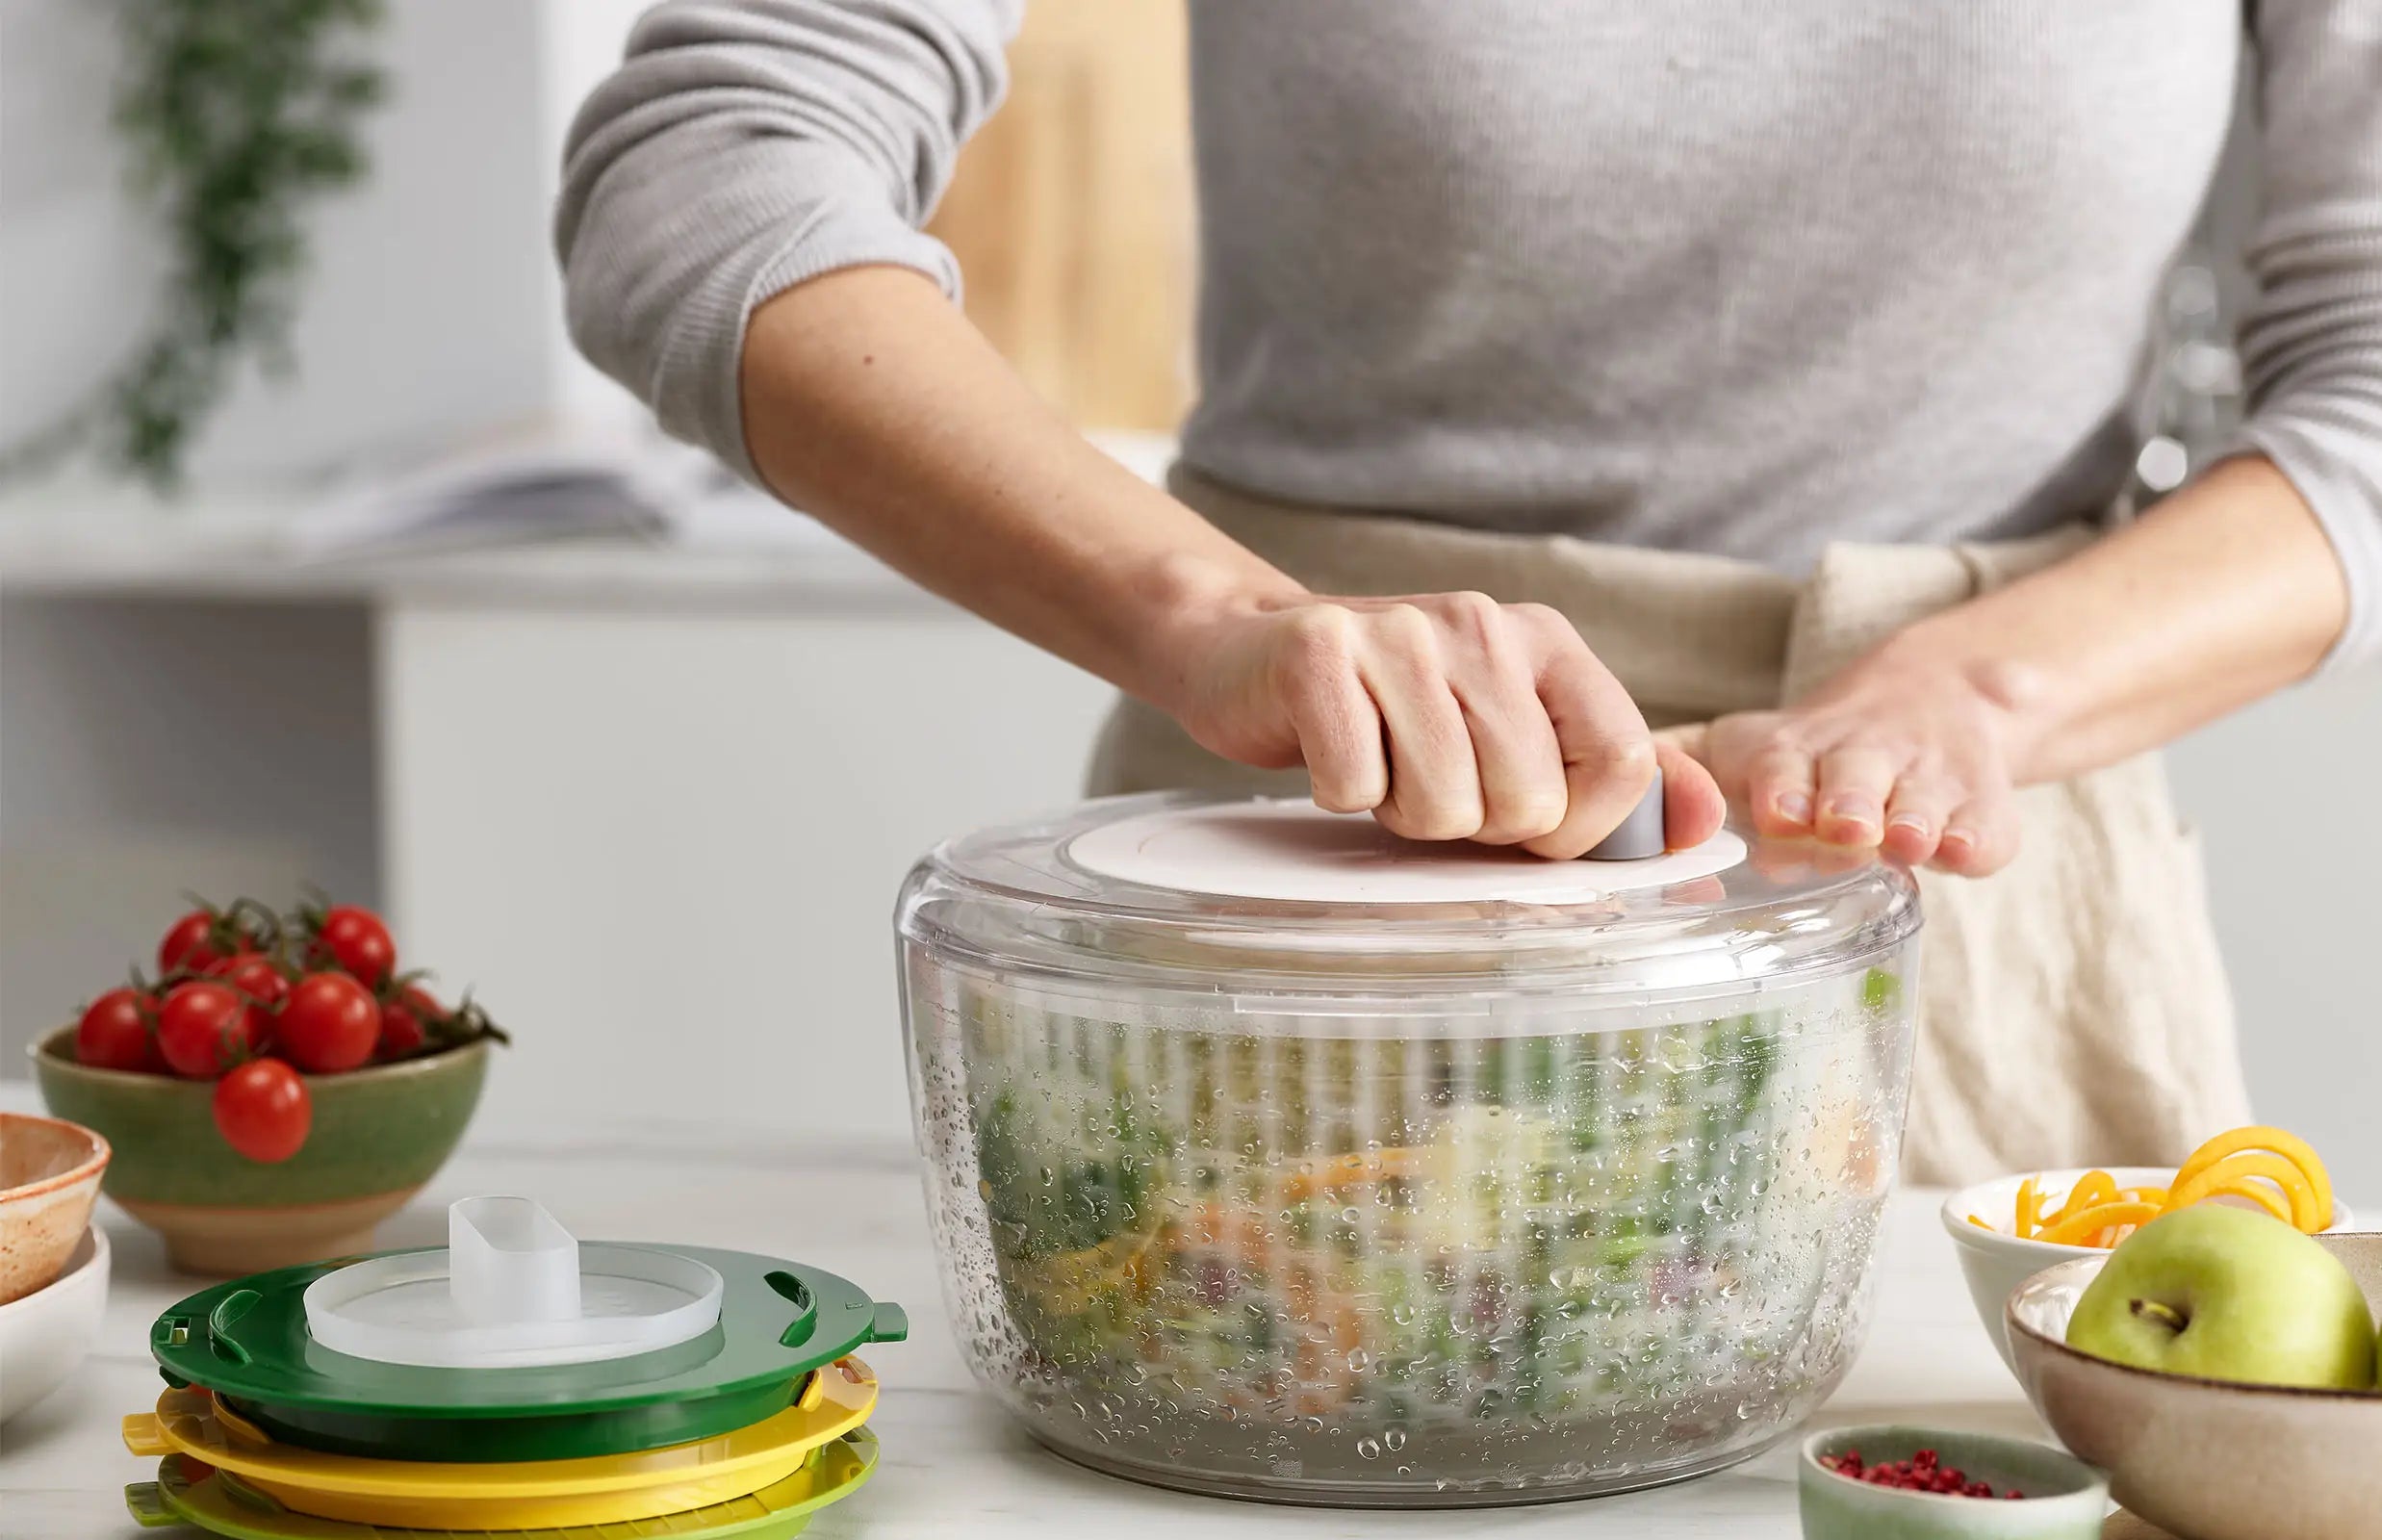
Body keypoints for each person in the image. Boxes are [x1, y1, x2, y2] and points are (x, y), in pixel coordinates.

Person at [554, 3, 2379, 1183]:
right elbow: (710, 170)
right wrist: (1206, 618)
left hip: (1967, 887)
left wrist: (1983, 698)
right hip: (1317, 854)